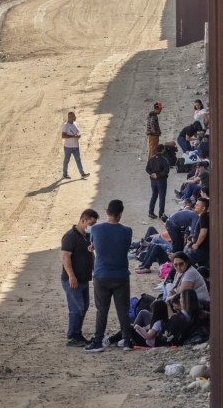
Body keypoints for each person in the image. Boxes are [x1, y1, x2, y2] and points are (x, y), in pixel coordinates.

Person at [85, 200, 134, 352]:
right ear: (120, 214)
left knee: (102, 310)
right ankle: (127, 341)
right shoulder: (127, 231)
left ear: (107, 212)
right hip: (121, 274)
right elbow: (124, 247)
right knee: (123, 310)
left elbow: (94, 245)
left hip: (102, 274)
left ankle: (98, 341)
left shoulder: (96, 229)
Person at [61, 208, 99, 346]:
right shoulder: (70, 236)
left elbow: (91, 256)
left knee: (84, 307)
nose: (92, 226)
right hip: (73, 279)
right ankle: (72, 337)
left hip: (84, 279)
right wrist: (71, 276)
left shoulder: (87, 237)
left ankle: (77, 334)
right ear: (83, 220)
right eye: (91, 223)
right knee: (76, 308)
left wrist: (95, 272)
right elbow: (66, 257)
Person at [61, 111, 90, 179]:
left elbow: (76, 132)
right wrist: (73, 136)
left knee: (78, 159)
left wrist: (77, 135)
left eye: (74, 116)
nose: (75, 117)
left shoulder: (76, 123)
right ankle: (65, 174)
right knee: (66, 160)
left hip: (76, 146)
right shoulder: (66, 125)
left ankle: (82, 174)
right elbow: (63, 136)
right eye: (73, 116)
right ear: (69, 118)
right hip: (68, 147)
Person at [146, 143, 170, 219]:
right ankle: (161, 214)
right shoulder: (164, 159)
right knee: (162, 197)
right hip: (161, 180)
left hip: (153, 180)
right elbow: (166, 171)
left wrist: (152, 174)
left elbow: (147, 168)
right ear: (162, 150)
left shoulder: (151, 158)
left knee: (154, 195)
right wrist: (158, 175)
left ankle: (151, 212)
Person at [187, 198, 210, 267]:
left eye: (197, 205)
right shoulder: (203, 216)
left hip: (202, 249)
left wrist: (196, 244)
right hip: (203, 249)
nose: (195, 206)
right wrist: (194, 237)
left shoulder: (204, 217)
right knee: (202, 267)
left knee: (185, 261)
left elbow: (203, 233)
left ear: (203, 208)